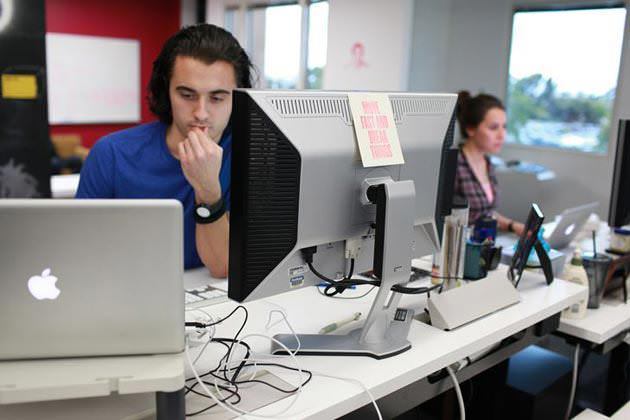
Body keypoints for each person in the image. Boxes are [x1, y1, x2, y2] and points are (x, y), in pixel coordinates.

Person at [76, 24, 254, 277]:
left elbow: (223, 266)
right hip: (126, 288)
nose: (201, 113)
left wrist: (207, 190)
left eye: (217, 98)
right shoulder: (112, 153)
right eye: (187, 95)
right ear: (166, 92)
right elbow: (80, 252)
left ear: (238, 99)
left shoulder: (251, 156)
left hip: (212, 299)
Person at [453, 91, 525, 236]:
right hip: (460, 248)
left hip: (484, 245)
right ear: (471, 129)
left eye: (504, 127)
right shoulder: (454, 165)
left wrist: (513, 226)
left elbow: (486, 214)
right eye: (493, 128)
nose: (501, 135)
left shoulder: (487, 162)